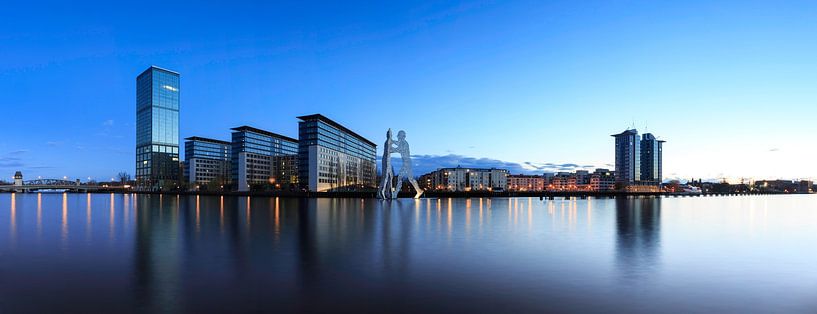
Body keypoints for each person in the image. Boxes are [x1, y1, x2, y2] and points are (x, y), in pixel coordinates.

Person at [393, 130, 423, 198]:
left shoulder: (404, 143)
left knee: (400, 177)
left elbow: (397, 149)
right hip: (407, 162)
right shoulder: (402, 142)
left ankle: (395, 194)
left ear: (401, 136)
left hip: (406, 162)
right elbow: (397, 143)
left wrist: (390, 149)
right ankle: (419, 191)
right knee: (410, 179)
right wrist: (391, 141)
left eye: (399, 136)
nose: (398, 137)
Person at [378, 129, 395, 199]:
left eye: (390, 133)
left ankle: (387, 192)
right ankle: (382, 191)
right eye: (389, 134)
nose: (390, 135)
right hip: (386, 160)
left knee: (391, 176)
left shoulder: (389, 141)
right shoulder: (388, 141)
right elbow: (388, 151)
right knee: (385, 177)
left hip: (388, 160)